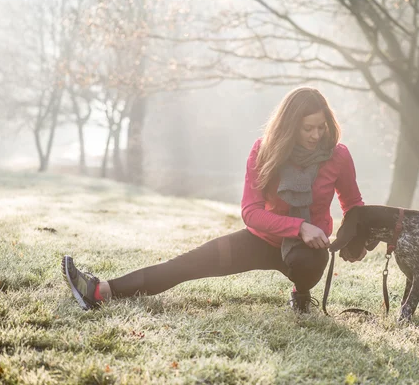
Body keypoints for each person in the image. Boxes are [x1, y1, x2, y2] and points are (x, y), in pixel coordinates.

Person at [62, 86, 366, 313]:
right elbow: (251, 212)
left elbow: (353, 205)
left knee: (304, 263)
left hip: (307, 251)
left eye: (321, 127)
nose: (316, 135)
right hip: (262, 240)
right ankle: (100, 291)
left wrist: (354, 239)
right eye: (307, 128)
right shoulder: (265, 151)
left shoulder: (337, 155)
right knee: (185, 265)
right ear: (289, 126)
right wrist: (299, 226)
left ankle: (301, 296)